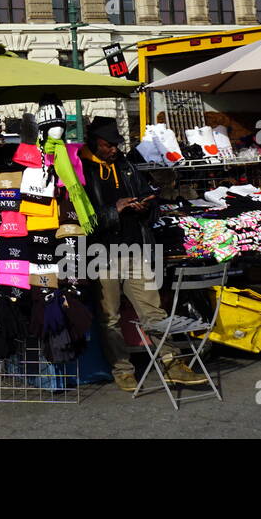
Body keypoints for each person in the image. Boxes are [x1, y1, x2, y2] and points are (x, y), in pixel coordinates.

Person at [78, 116, 207, 392]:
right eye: (107, 145)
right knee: (109, 317)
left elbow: (150, 197)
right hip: (101, 255)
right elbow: (80, 218)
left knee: (153, 310)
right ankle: (122, 368)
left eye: (116, 144)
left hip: (136, 250)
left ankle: (172, 363)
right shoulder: (81, 170)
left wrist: (146, 205)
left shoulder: (125, 165)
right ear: (94, 143)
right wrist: (116, 210)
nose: (113, 149)